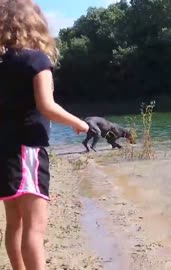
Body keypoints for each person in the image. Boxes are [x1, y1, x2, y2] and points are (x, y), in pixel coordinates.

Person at [0, 0, 90, 269]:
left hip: (3, 149)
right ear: (35, 24)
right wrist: (79, 124)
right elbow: (46, 106)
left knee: (13, 222)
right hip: (28, 149)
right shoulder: (36, 60)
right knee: (34, 228)